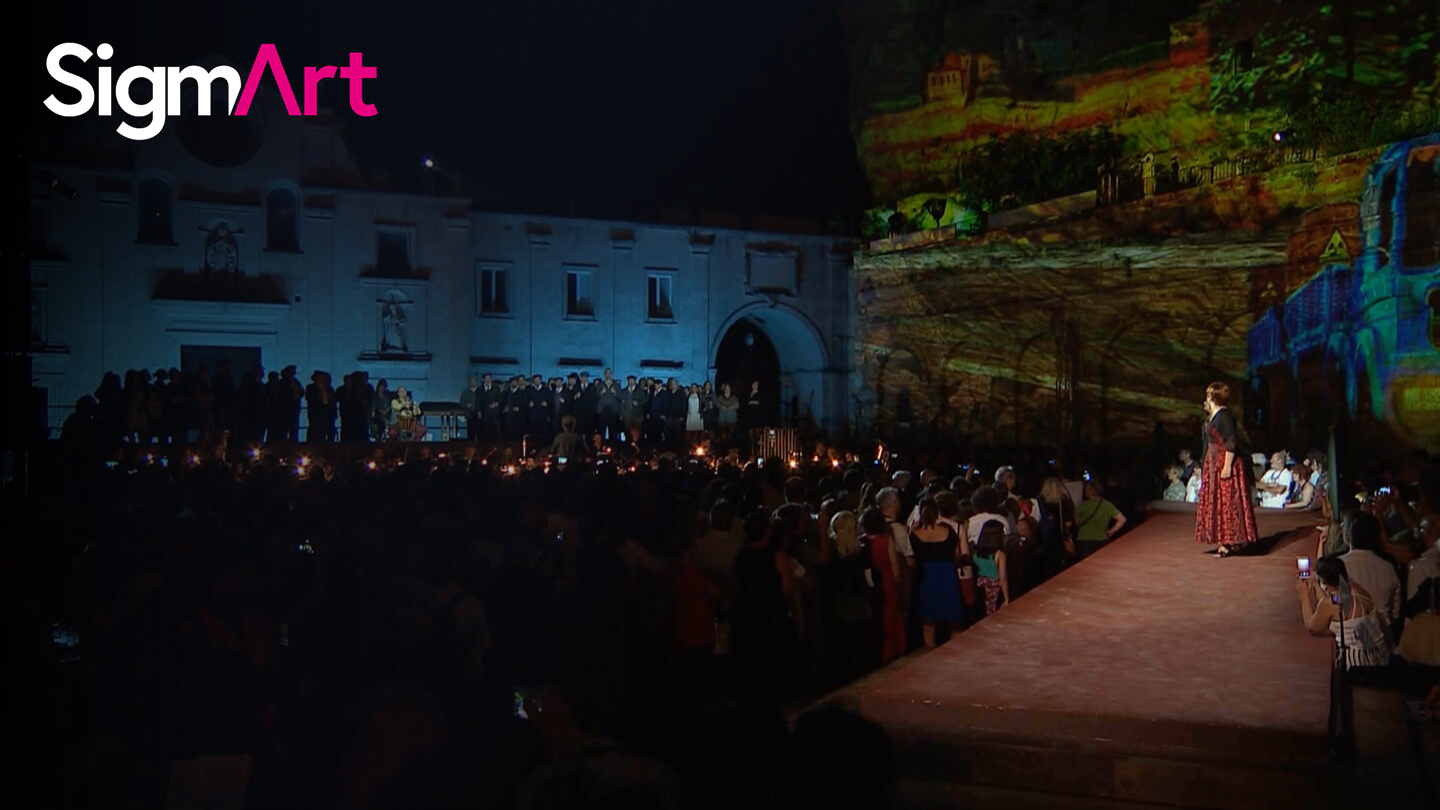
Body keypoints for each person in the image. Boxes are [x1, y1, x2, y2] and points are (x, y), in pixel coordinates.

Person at [1194, 381, 1259, 557]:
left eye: (1208, 395)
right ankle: (1224, 540)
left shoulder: (1225, 416)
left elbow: (1231, 441)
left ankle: (1227, 542)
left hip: (1224, 461)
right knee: (1217, 501)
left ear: (1212, 397)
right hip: (1213, 461)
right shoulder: (1213, 416)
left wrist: (1227, 466)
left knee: (1227, 502)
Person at [1296, 556, 1391, 670]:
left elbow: (1312, 627)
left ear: (1324, 581)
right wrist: (1316, 585)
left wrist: (1304, 596)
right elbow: (1330, 603)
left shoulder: (1330, 604)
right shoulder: (1356, 590)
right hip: (1381, 655)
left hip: (1359, 664)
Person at [911, 498, 965, 647]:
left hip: (926, 579)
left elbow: (912, 560)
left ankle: (931, 654)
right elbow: (957, 555)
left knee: (929, 623)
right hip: (947, 577)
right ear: (937, 513)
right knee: (954, 622)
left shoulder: (914, 535)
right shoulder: (949, 532)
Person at [860, 508, 905, 664]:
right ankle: (894, 652)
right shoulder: (886, 540)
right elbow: (895, 568)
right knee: (891, 618)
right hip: (887, 584)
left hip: (871, 586)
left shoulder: (861, 542)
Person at [1075, 479, 1126, 557]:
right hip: (1101, 538)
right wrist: (1112, 531)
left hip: (1084, 540)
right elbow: (1122, 519)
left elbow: (1077, 522)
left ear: (1089, 491)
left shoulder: (1082, 505)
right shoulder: (1107, 504)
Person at [972, 518, 1010, 615]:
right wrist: (1006, 598)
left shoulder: (975, 552)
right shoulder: (1000, 555)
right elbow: (1003, 578)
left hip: (979, 587)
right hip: (994, 589)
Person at [304, 371, 337, 443]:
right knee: (316, 435)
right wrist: (320, 394)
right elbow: (310, 398)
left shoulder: (329, 388)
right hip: (316, 415)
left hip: (329, 415)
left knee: (330, 434)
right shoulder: (310, 388)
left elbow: (334, 399)